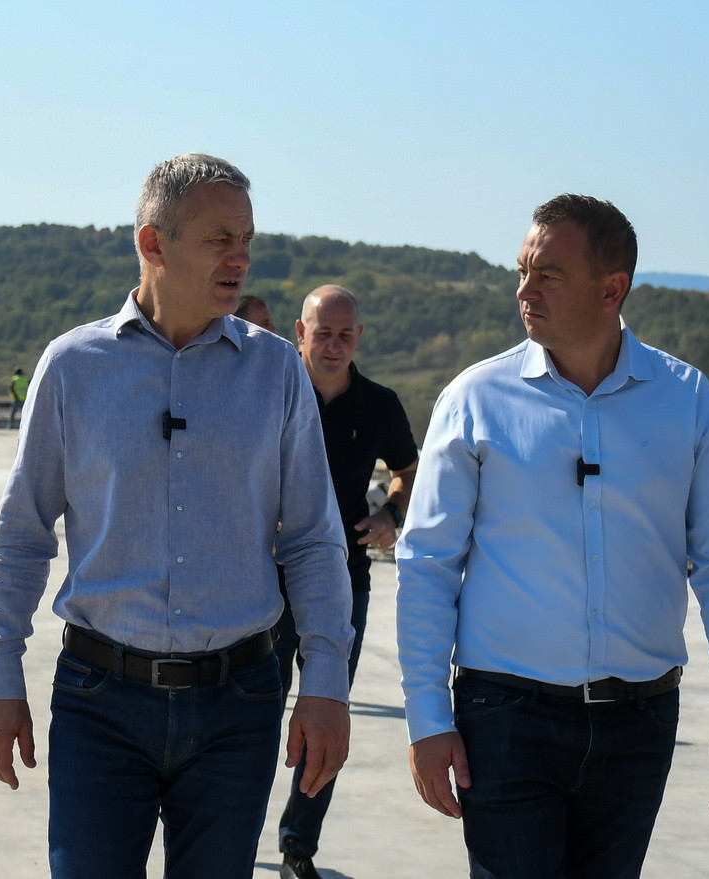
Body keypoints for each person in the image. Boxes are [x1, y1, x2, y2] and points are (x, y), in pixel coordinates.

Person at [0, 154, 355, 879]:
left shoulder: (276, 370)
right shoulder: (72, 366)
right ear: (154, 243)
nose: (240, 258)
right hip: (99, 701)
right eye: (219, 239)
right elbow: (22, 534)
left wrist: (326, 680)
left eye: (247, 239)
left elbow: (312, 539)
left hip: (239, 702)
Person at [396, 194, 709, 879]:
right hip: (504, 718)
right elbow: (427, 563)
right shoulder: (475, 400)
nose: (524, 290)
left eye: (548, 275)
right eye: (522, 271)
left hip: (641, 721)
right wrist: (427, 716)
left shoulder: (688, 401)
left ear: (611, 288)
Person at [276, 285, 418, 879]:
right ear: (300, 333)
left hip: (343, 581)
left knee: (326, 716)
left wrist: (390, 515)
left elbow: (409, 469)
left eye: (344, 335)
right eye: (321, 334)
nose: (333, 346)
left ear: (358, 337)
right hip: (262, 581)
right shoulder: (271, 391)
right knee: (249, 717)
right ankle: (229, 837)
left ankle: (297, 848)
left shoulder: (379, 405)